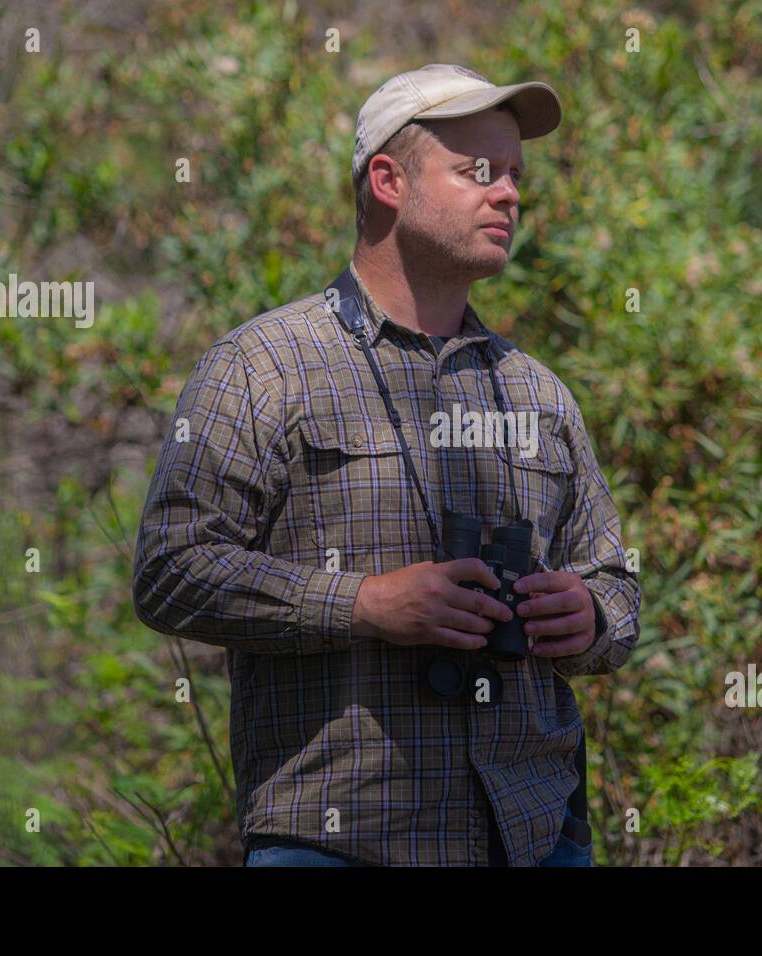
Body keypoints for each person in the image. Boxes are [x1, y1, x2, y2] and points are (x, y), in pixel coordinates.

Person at [132, 63, 640, 867]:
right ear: (388, 180)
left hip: (536, 839)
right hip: (335, 846)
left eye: (516, 174)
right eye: (480, 170)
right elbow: (170, 570)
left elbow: (616, 580)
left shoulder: (539, 393)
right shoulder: (263, 366)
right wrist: (363, 604)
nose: (509, 193)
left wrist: (591, 615)